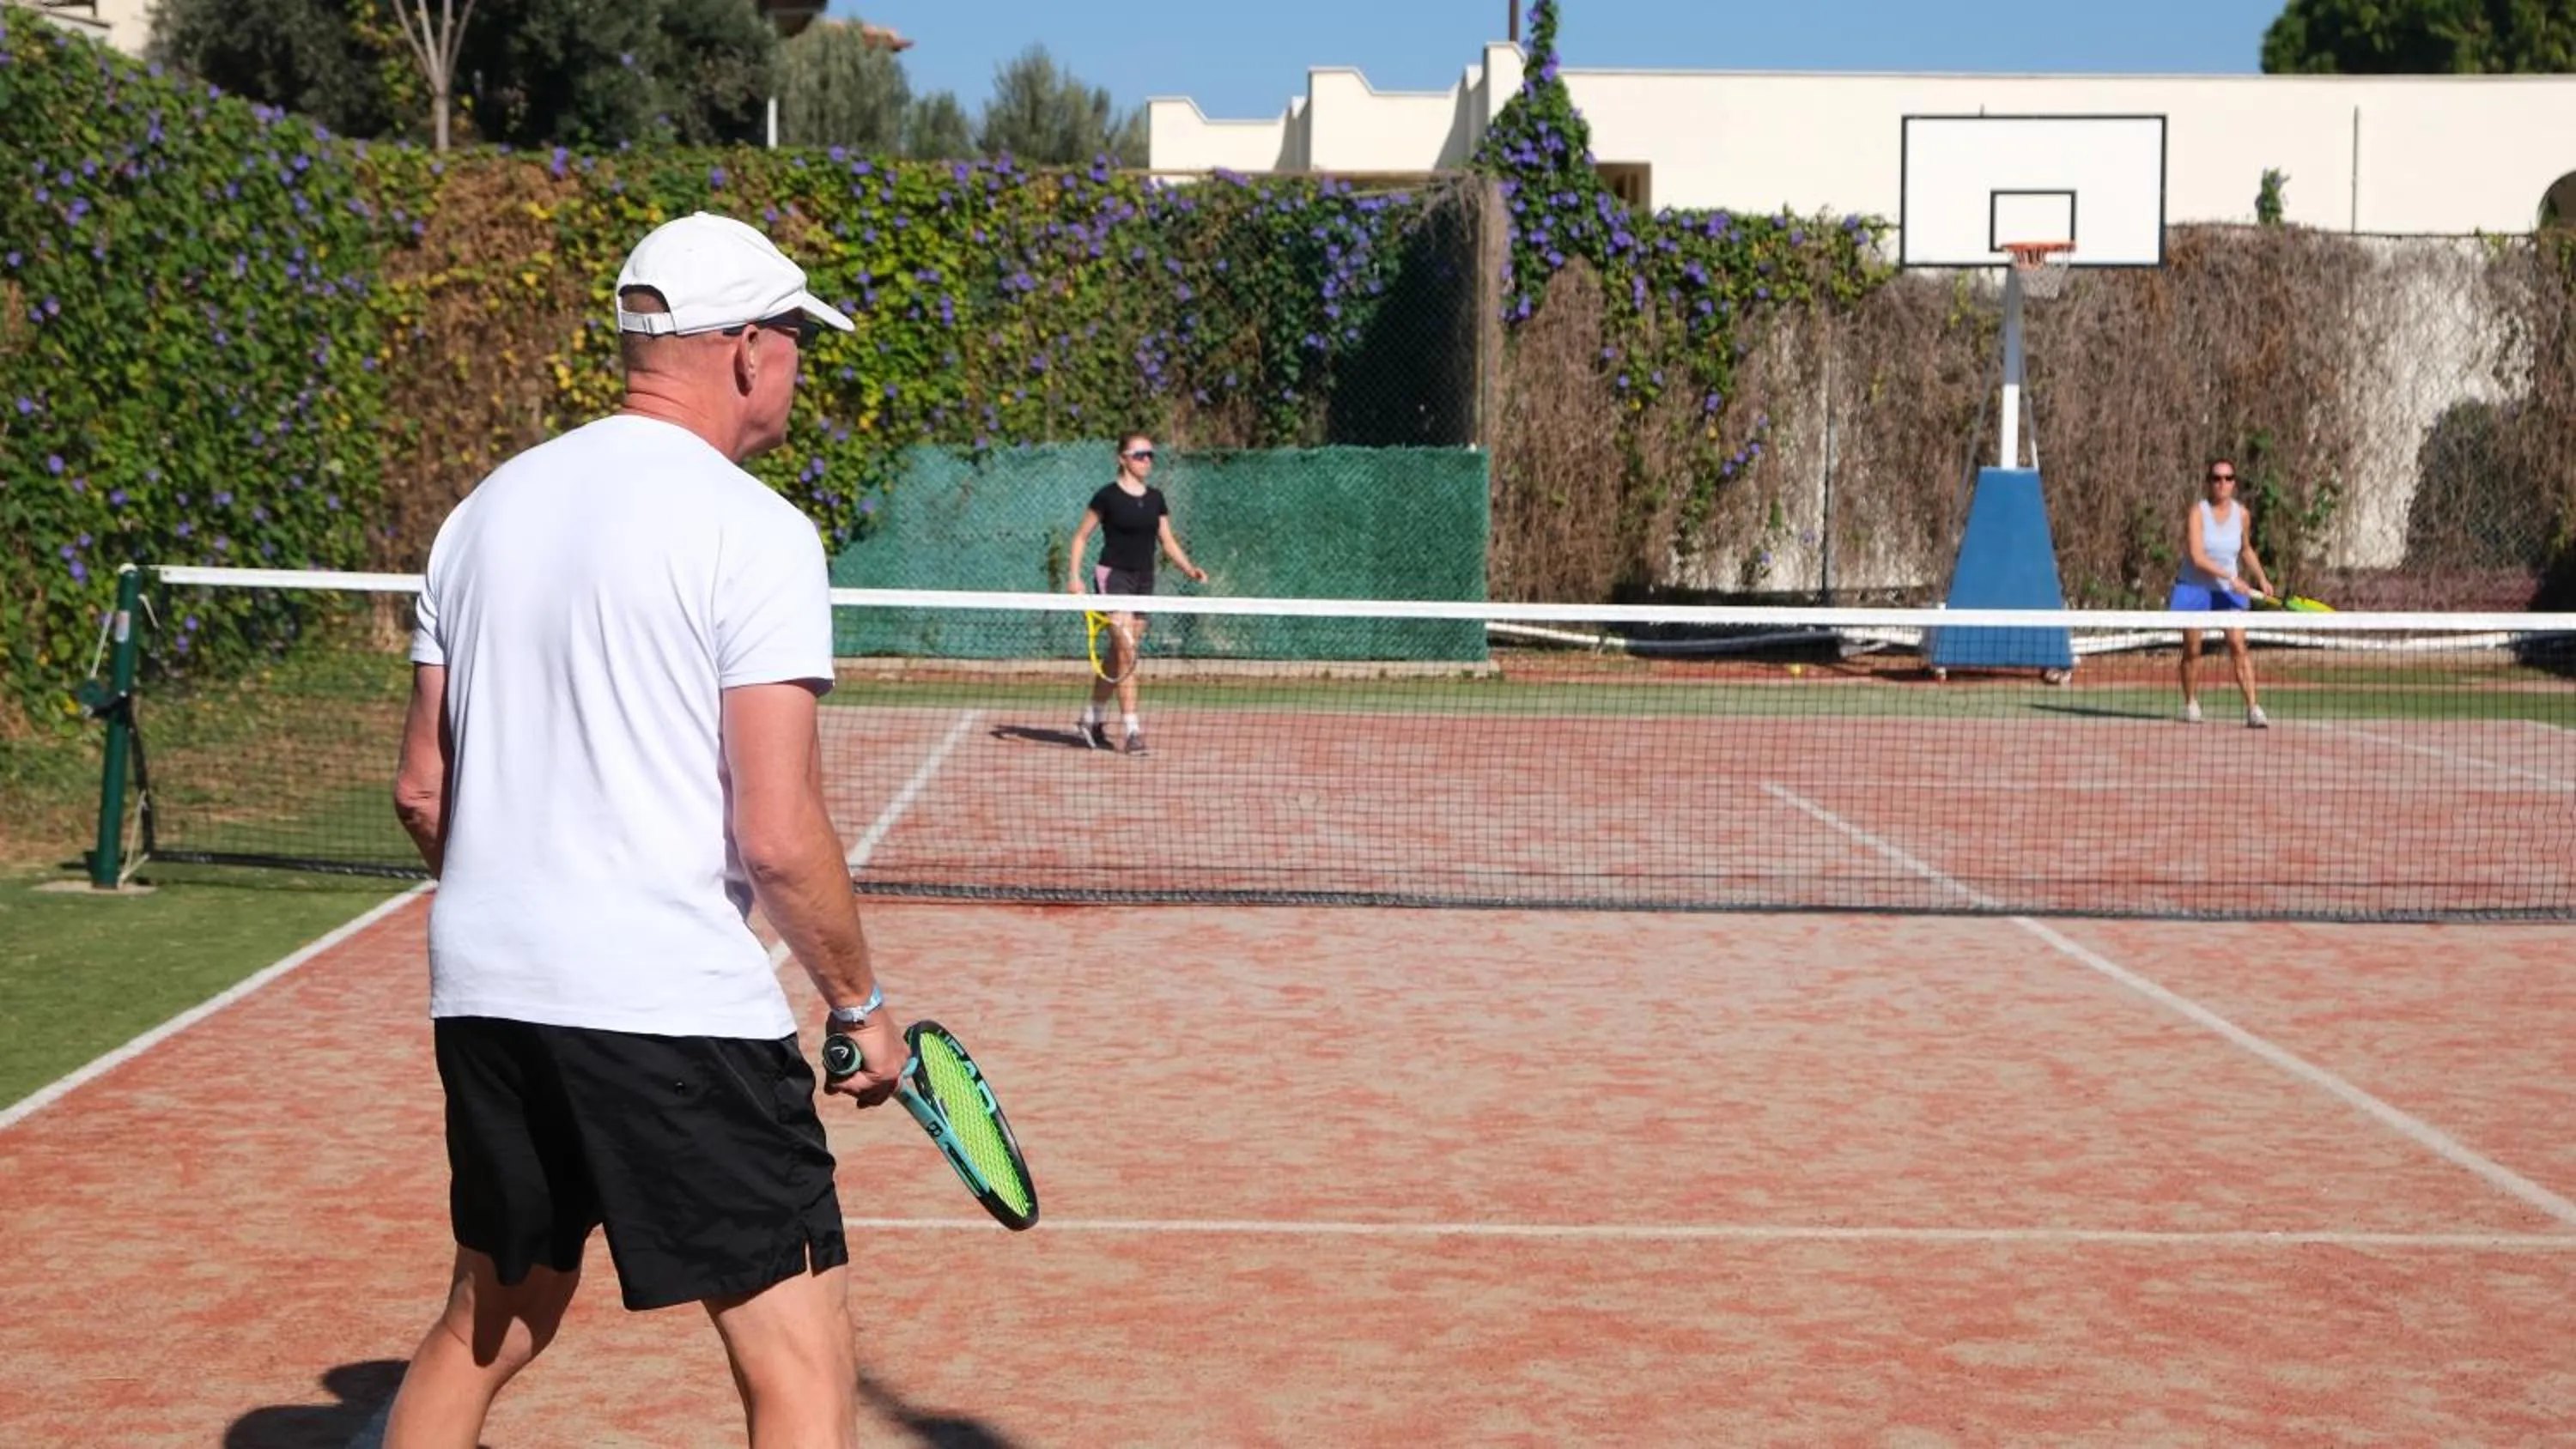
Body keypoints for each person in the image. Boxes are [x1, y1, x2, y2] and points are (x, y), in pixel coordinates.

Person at [383, 212, 909, 1449]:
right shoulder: (757, 531)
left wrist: (527, 907)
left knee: (494, 1317)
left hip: (487, 992)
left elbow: (422, 790)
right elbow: (777, 833)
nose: (795, 368)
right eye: (791, 340)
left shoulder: (480, 515)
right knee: (802, 1360)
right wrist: (858, 1005)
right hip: (671, 1006)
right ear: (742, 351)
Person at [1066, 431, 1206, 755]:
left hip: (1144, 580)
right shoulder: (1106, 497)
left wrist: (1189, 568)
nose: (1147, 461)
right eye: (1140, 454)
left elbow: (1167, 541)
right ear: (1123, 459)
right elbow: (1080, 538)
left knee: (1120, 655)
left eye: (1150, 455)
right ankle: (1132, 731)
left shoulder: (1156, 498)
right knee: (1127, 653)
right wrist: (1074, 577)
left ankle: (1092, 719)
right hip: (1113, 577)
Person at [2169, 458, 2275, 728]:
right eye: (2217, 478)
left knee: (2238, 644)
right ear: (2209, 482)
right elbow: (2197, 556)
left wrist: (2261, 578)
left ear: (2234, 483)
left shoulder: (2242, 514)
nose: (2222, 483)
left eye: (2228, 478)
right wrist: (2231, 577)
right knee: (2193, 648)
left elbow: (2246, 549)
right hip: (2196, 587)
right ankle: (2191, 703)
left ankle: (2253, 708)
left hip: (2229, 589)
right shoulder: (2198, 512)